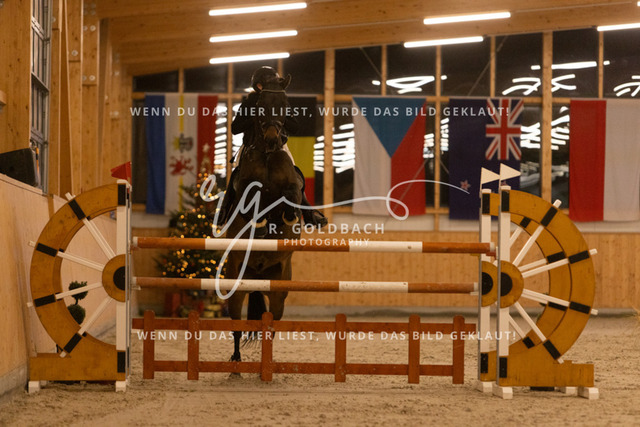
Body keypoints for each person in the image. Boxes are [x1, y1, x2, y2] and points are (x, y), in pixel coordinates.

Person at [215, 66, 327, 228]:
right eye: (265, 85)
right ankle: (223, 212)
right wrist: (254, 118)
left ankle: (309, 214)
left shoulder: (280, 101)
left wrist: (281, 117)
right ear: (258, 86)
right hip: (251, 146)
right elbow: (235, 128)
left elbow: (295, 127)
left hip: (279, 147)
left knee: (295, 175)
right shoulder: (250, 102)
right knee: (236, 176)